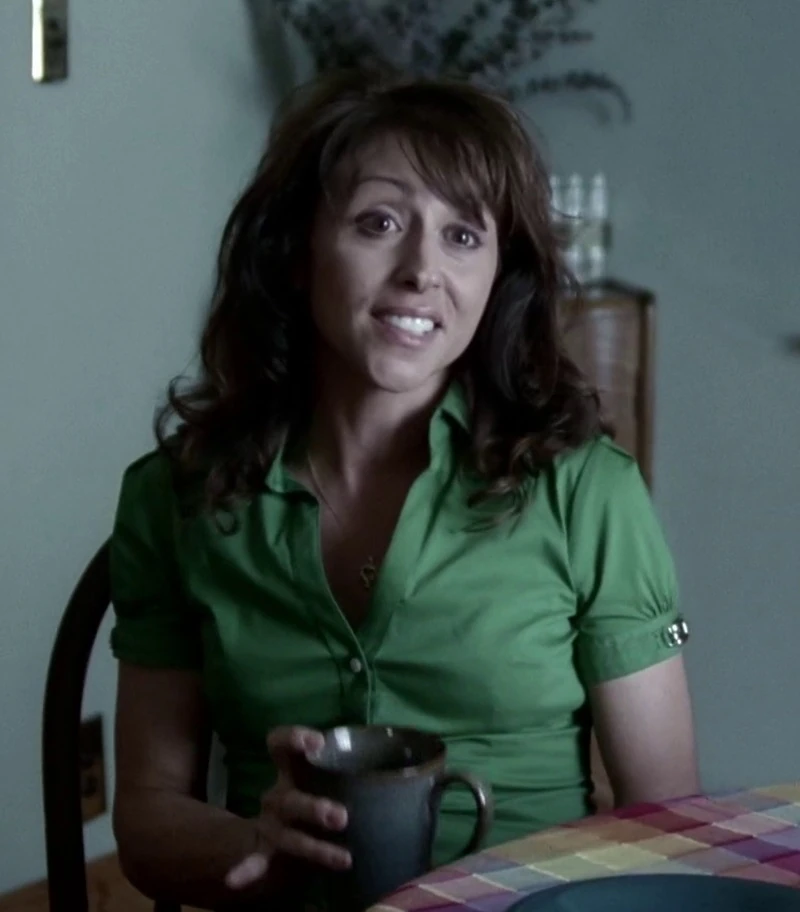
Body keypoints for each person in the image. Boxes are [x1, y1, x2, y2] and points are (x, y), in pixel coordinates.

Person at [109, 69, 698, 911]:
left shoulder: (588, 494)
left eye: (463, 235)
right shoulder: (175, 500)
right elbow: (147, 818)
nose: (422, 270)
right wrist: (253, 849)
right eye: (379, 223)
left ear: (498, 276)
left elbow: (666, 825)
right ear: (297, 250)